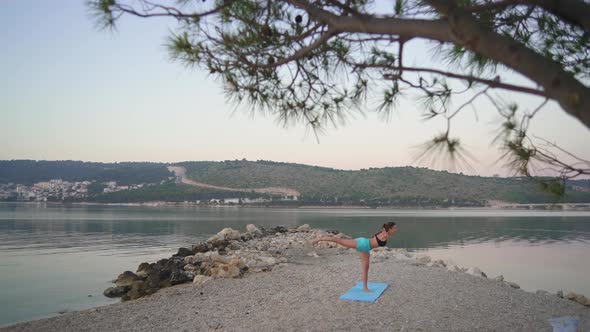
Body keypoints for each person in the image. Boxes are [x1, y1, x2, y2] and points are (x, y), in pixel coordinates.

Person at [311, 222, 397, 292]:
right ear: (389, 229)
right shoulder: (385, 235)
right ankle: (319, 239)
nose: (396, 229)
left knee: (365, 267)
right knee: (339, 241)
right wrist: (386, 231)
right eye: (394, 228)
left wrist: (385, 228)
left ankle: (365, 287)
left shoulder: (384, 232)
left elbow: (383, 229)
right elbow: (385, 233)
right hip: (363, 245)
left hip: (365, 245)